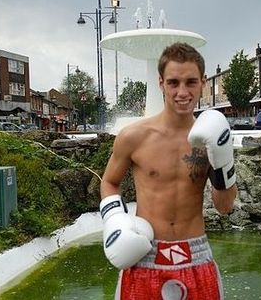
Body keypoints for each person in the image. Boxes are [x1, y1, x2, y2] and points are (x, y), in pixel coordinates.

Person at [100, 42, 237, 299]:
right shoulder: (133, 137)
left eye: (191, 82)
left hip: (195, 254)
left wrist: (223, 162)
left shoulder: (212, 137)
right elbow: (109, 182)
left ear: (203, 82)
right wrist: (115, 220)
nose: (182, 92)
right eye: (174, 82)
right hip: (144, 254)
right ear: (161, 82)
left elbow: (225, 207)